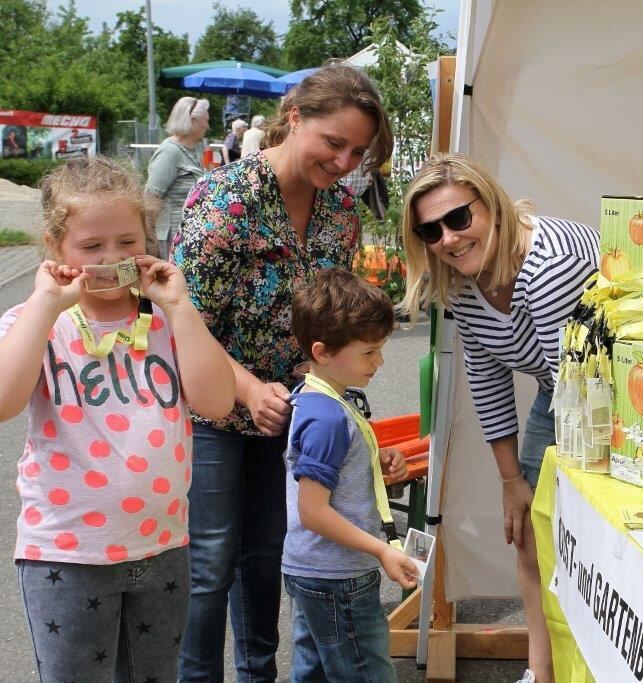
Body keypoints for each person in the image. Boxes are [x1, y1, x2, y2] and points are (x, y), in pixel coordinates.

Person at [173, 60, 393, 682]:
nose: (345, 161)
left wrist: (340, 406)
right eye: (334, 143)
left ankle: (258, 675)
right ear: (294, 119)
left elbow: (331, 327)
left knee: (267, 558)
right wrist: (246, 385)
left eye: (358, 151)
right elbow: (184, 315)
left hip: (293, 410)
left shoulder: (340, 217)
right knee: (211, 563)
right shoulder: (225, 198)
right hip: (213, 405)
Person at [0, 157, 234, 682]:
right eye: (91, 246)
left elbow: (217, 402)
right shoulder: (36, 323)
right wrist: (44, 303)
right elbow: (3, 401)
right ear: (55, 247)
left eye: (128, 242)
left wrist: (182, 308)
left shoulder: (167, 322)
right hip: (67, 554)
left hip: (164, 548)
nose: (112, 258)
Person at [400, 153, 600, 683]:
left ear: (490, 205)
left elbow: (578, 392)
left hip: (613, 393)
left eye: (459, 218)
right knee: (530, 536)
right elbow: (487, 379)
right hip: (562, 390)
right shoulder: (460, 280)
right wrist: (512, 481)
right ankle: (544, 671)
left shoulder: (545, 265)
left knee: (593, 535)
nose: (447, 237)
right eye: (430, 230)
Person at [284, 267, 418, 682]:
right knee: (365, 671)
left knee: (314, 670)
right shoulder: (327, 417)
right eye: (368, 352)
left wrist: (377, 461)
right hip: (338, 574)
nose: (379, 362)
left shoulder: (320, 398)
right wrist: (381, 550)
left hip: (313, 569)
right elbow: (314, 511)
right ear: (322, 351)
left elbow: (332, 468)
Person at [145, 96, 210, 258]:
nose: (207, 126)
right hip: (171, 238)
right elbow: (151, 197)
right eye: (205, 121)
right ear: (192, 121)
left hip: (187, 235)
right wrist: (148, 240)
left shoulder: (191, 150)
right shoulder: (170, 151)